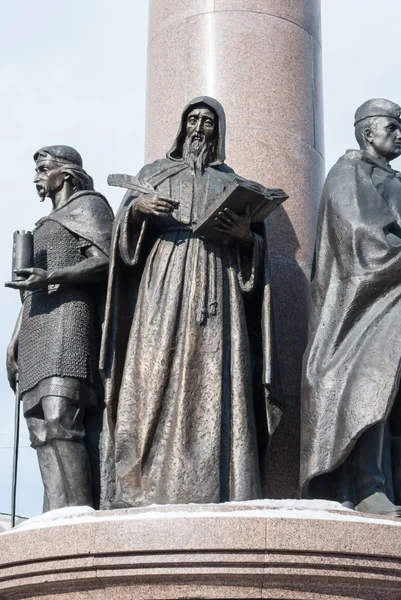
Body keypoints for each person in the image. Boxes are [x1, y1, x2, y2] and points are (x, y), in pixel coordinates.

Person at [100, 96, 283, 508]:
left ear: (218, 132)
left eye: (208, 122)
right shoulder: (154, 174)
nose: (199, 129)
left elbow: (256, 254)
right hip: (163, 279)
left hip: (218, 279)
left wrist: (244, 237)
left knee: (215, 373)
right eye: (193, 120)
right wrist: (138, 211)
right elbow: (122, 243)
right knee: (153, 372)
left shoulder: (231, 182)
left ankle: (221, 482)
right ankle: (144, 484)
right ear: (182, 128)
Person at [301, 99, 401, 516]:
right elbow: (360, 236)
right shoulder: (348, 173)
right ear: (367, 132)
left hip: (391, 294)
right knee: (369, 384)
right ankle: (366, 486)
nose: (399, 135)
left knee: (388, 392)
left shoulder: (391, 178)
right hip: (363, 305)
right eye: (392, 127)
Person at [6, 145, 114, 511]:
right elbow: (30, 293)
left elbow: (105, 262)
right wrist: (14, 341)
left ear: (64, 174)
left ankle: (79, 513)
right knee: (39, 427)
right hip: (37, 327)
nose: (37, 176)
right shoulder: (42, 225)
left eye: (43, 169)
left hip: (69, 322)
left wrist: (51, 276)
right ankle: (55, 514)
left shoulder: (90, 207)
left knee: (60, 418)